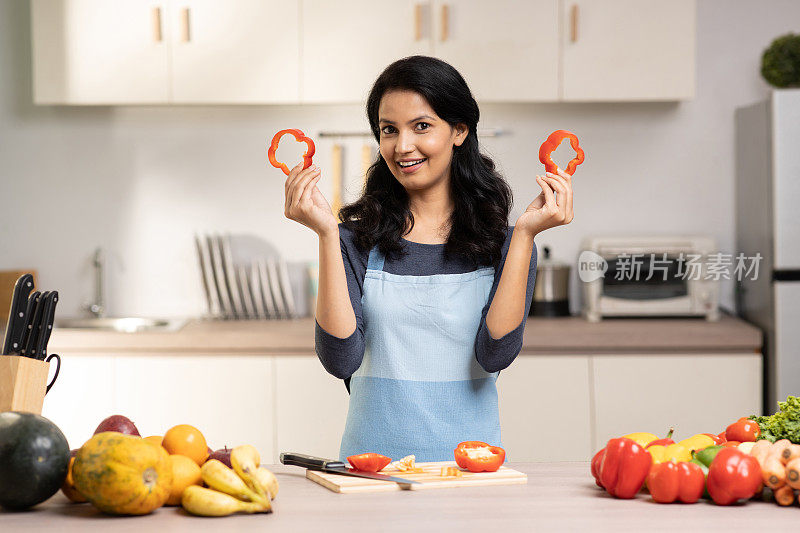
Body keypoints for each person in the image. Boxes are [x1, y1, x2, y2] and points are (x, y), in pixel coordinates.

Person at [283, 55, 574, 462]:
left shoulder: (503, 244)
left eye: (421, 126)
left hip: (468, 472)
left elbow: (496, 355)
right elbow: (340, 360)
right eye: (389, 130)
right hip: (372, 473)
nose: (403, 146)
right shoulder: (354, 240)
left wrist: (525, 233)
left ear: (459, 130)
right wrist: (327, 233)